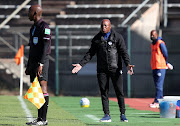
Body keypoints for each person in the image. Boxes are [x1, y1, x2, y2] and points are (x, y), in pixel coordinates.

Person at [72, 19, 134, 122]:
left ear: (110, 26)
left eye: (105, 26)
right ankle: (107, 115)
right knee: (104, 92)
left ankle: (122, 114)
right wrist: (81, 65)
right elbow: (90, 53)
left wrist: (127, 64)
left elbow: (124, 52)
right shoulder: (97, 38)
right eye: (102, 26)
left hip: (115, 69)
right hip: (102, 70)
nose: (103, 27)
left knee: (119, 92)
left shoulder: (117, 37)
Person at [25, 5, 51, 125]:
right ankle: (39, 118)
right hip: (34, 63)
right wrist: (28, 65)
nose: (28, 13)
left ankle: (44, 119)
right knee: (36, 90)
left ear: (35, 13)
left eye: (29, 11)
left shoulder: (44, 27)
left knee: (42, 87)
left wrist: (41, 63)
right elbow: (32, 48)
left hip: (42, 62)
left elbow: (46, 47)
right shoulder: (33, 27)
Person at [149, 30, 173, 108]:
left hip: (160, 66)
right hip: (154, 66)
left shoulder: (160, 43)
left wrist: (166, 63)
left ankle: (157, 100)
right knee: (156, 85)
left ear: (156, 35)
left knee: (159, 85)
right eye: (151, 35)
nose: (152, 36)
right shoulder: (152, 44)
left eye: (153, 35)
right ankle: (159, 100)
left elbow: (165, 53)